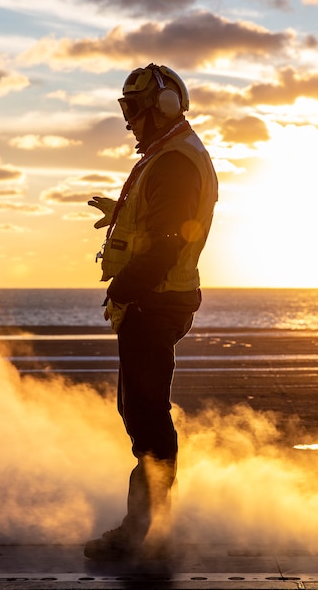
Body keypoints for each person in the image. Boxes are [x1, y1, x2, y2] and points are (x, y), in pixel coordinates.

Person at [84, 64, 218, 562]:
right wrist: (115, 216)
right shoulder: (170, 155)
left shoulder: (174, 163)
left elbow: (165, 242)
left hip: (155, 300)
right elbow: (159, 223)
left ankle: (140, 533)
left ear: (162, 108)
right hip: (160, 297)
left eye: (133, 109)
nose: (128, 121)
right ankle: (156, 524)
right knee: (142, 412)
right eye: (125, 109)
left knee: (147, 417)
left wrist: (123, 289)